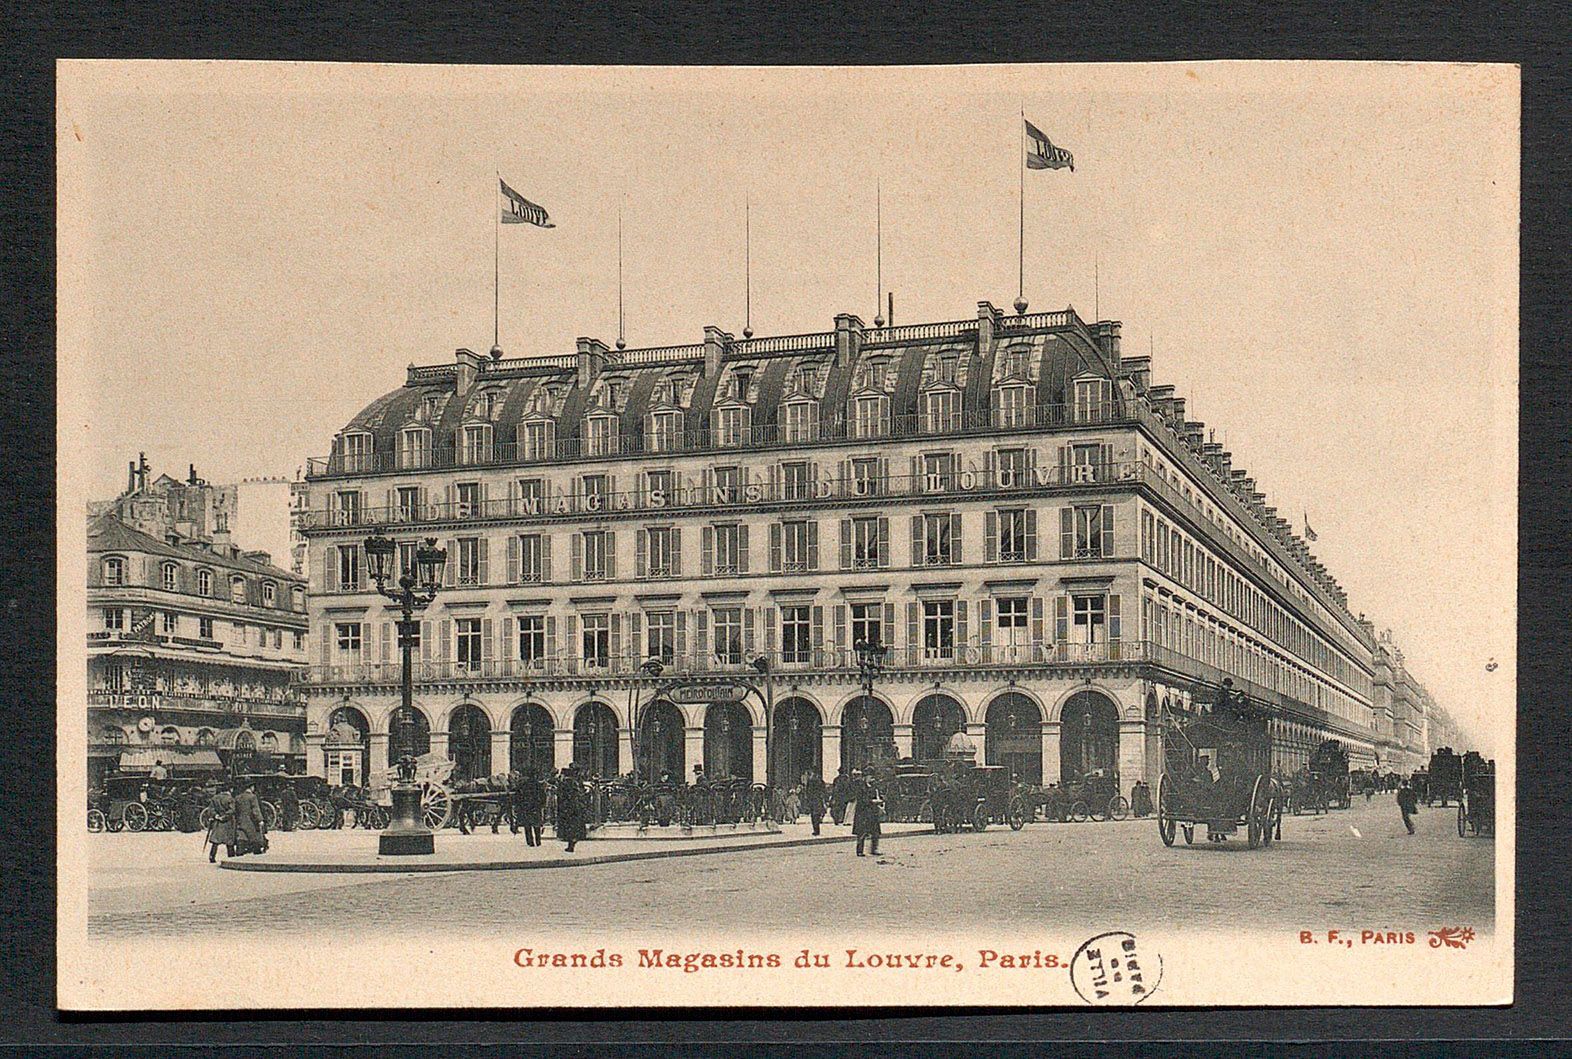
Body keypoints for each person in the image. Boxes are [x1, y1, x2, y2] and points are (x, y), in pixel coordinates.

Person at [555, 764, 588, 853]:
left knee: (568, 826)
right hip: (575, 807)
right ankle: (572, 841)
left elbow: (561, 796)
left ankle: (570, 843)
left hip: (566, 807)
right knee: (573, 825)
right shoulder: (574, 782)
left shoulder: (564, 783)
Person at [850, 769, 883, 857]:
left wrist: (879, 800)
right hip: (863, 812)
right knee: (862, 832)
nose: (872, 779)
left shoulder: (873, 787)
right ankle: (859, 850)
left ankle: (874, 849)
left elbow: (878, 795)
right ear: (865, 777)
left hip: (872, 812)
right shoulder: (860, 787)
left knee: (875, 832)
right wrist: (872, 801)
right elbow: (861, 799)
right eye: (870, 777)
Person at [515, 766, 546, 847]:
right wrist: (542, 804)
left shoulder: (523, 784)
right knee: (537, 825)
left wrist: (519, 805)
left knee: (527, 825)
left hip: (526, 806)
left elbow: (518, 795)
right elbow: (543, 795)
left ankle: (530, 842)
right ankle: (538, 841)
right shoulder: (538, 785)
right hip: (536, 806)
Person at [204, 785, 236, 863]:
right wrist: (224, 816)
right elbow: (232, 810)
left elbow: (211, 809)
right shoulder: (230, 798)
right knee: (229, 842)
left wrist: (216, 816)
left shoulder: (215, 798)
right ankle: (231, 857)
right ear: (229, 789)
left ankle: (212, 857)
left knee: (216, 841)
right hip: (228, 822)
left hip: (217, 822)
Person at [233, 781, 267, 855]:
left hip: (240, 820)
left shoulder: (238, 797)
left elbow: (235, 810)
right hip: (251, 821)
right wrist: (260, 820)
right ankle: (256, 853)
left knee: (242, 837)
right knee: (255, 837)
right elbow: (255, 810)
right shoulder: (252, 797)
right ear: (251, 787)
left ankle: (239, 852)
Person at [801, 770, 826, 836]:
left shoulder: (811, 781)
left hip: (813, 800)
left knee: (814, 816)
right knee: (817, 815)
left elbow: (808, 791)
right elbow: (823, 790)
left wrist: (807, 799)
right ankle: (817, 830)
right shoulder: (820, 781)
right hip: (818, 800)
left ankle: (816, 830)